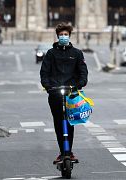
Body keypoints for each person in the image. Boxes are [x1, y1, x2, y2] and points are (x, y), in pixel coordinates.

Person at [40, 22, 88, 164]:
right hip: (55, 93)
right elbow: (44, 72)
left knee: (70, 122)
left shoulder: (77, 54)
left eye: (65, 35)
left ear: (69, 36)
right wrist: (47, 86)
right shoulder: (51, 53)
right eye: (61, 35)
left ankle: (69, 151)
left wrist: (79, 84)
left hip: (71, 93)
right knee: (58, 123)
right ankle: (62, 151)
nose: (63, 37)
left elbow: (83, 73)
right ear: (57, 36)